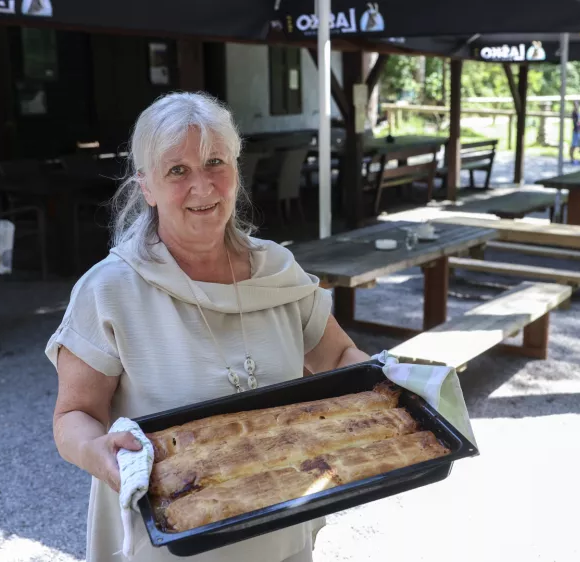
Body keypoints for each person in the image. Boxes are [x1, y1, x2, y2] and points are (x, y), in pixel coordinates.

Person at [46, 91, 371, 562]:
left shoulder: (277, 270)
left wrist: (377, 387)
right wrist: (97, 451)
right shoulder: (109, 291)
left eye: (215, 162)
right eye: (177, 170)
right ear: (147, 187)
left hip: (281, 522)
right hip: (176, 539)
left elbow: (340, 358)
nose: (202, 186)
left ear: (236, 171)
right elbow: (73, 414)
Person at [568, 100, 580, 164]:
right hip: (576, 130)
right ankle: (572, 158)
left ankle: (573, 158)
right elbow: (576, 122)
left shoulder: (578, 112)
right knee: (573, 145)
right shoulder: (574, 112)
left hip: (578, 130)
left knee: (576, 145)